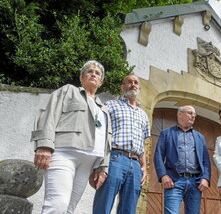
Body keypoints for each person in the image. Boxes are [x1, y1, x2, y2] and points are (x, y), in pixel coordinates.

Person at [31, 60, 112, 213]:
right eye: (89, 71)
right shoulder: (68, 91)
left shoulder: (104, 109)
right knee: (57, 204)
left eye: (97, 73)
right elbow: (48, 115)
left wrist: (102, 167)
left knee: (69, 208)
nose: (93, 74)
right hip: (64, 153)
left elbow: (107, 141)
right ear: (81, 77)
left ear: (101, 82)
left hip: (89, 161)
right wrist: (44, 145)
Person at [92, 74, 151, 214]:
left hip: (136, 165)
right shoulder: (111, 105)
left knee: (129, 209)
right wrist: (98, 163)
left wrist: (144, 166)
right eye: (129, 82)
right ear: (122, 87)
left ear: (139, 88)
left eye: (136, 82)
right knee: (104, 203)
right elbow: (100, 133)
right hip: (115, 158)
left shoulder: (143, 115)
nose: (133, 84)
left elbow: (142, 143)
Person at [154, 105, 211, 214]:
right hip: (174, 181)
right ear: (180, 114)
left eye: (194, 114)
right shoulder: (166, 133)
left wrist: (206, 178)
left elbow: (206, 161)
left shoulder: (200, 137)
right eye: (190, 113)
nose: (193, 116)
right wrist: (163, 175)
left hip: (195, 183)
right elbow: (158, 156)